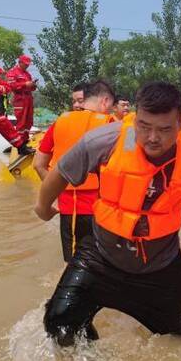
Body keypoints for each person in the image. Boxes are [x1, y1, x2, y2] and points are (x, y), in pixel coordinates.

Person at [35, 81, 181, 346]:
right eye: (144, 126)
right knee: (59, 325)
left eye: (164, 129)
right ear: (135, 118)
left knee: (179, 338)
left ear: (180, 125)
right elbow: (61, 172)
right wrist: (42, 207)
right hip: (100, 258)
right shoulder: (105, 140)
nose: (153, 137)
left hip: (160, 268)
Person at [33, 81, 115, 262]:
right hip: (102, 208)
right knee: (104, 264)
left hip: (70, 208)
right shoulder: (111, 124)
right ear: (106, 101)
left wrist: (56, 190)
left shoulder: (60, 122)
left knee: (72, 264)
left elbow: (38, 164)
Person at [0, 66, 34, 155]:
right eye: (0, 74)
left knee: (10, 130)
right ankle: (21, 148)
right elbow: (6, 89)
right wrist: (4, 82)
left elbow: (7, 89)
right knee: (9, 131)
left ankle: (22, 147)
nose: (2, 76)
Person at [6, 54, 36, 144]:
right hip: (20, 99)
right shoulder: (13, 72)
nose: (27, 66)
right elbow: (11, 86)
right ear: (20, 62)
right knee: (21, 122)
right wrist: (24, 84)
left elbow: (31, 88)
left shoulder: (27, 74)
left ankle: (26, 140)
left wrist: (33, 85)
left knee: (29, 121)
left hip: (29, 98)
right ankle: (20, 143)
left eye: (28, 64)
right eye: (25, 64)